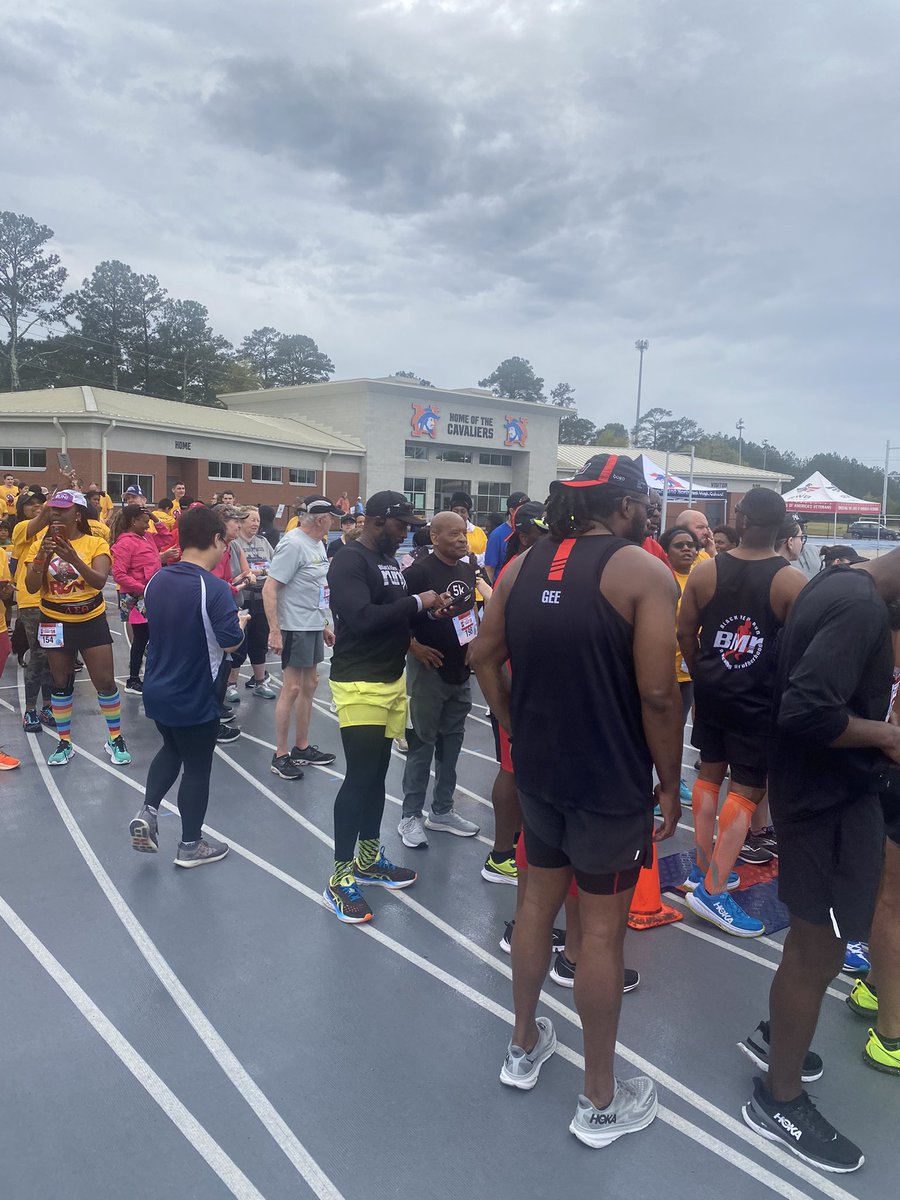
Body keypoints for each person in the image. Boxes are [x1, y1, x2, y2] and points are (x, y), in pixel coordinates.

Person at [473, 452, 682, 1146]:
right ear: (622, 503)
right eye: (643, 503)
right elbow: (659, 695)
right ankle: (599, 1100)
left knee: (535, 905)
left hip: (540, 773)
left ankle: (523, 1044)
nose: (648, 514)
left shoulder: (519, 566)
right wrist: (669, 781)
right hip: (608, 782)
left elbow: (481, 656)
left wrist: (511, 721)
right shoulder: (643, 571)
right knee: (599, 934)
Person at [738, 548, 900, 1172]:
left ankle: (777, 1036)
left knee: (812, 947)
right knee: (818, 952)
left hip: (818, 793)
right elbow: (806, 708)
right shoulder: (861, 608)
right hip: (828, 803)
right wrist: (888, 735)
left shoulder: (835, 579)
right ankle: (778, 1100)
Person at [677, 488, 806, 935]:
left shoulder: (706, 570)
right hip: (759, 701)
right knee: (747, 791)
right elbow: (803, 651)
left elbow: (684, 632)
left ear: (741, 519)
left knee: (710, 775)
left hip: (714, 693)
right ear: (784, 528)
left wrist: (703, 672)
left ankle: (702, 867)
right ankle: (712, 890)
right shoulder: (790, 581)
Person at [324, 490, 448, 923]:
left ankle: (368, 858)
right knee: (359, 777)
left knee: (377, 774)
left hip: (390, 680)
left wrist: (428, 613)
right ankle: (340, 877)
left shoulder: (389, 562)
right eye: (401, 527)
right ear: (377, 521)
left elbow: (396, 614)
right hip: (358, 682)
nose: (405, 535)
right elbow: (361, 617)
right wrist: (417, 601)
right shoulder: (349, 560)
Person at [129, 506, 250, 867]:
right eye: (225, 543)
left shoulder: (157, 580)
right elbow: (230, 643)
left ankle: (148, 811)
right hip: (195, 692)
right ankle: (191, 844)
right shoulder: (214, 588)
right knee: (197, 767)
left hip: (158, 687)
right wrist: (240, 622)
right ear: (215, 540)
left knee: (171, 747)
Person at [24, 489, 132, 766]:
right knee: (60, 683)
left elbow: (98, 581)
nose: (55, 514)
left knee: (105, 682)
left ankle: (115, 737)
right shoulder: (40, 544)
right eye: (53, 509)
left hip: (90, 619)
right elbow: (31, 587)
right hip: (54, 620)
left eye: (63, 510)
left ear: (77, 515)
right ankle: (64, 742)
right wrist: (42, 558)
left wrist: (72, 558)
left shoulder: (95, 543)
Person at [398, 511, 480, 847]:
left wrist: (473, 640)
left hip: (460, 671)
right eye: (454, 534)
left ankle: (442, 811)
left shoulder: (467, 568)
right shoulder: (418, 573)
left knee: (452, 743)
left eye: (464, 533)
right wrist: (414, 647)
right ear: (435, 538)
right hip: (428, 673)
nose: (462, 539)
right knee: (422, 743)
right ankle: (409, 816)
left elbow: (469, 609)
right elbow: (397, 616)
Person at [484, 502, 548, 884]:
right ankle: (500, 855)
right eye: (544, 534)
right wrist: (505, 701)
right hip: (513, 684)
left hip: (528, 683)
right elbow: (490, 647)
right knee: (511, 770)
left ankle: (518, 842)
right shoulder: (515, 571)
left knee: (522, 769)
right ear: (524, 536)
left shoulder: (533, 568)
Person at [262, 495, 340, 779]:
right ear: (321, 519)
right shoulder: (293, 544)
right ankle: (280, 754)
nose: (334, 523)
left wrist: (323, 624)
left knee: (310, 684)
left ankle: (302, 747)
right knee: (292, 688)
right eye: (331, 518)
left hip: (312, 624)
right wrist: (275, 630)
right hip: (294, 626)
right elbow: (270, 588)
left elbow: (316, 588)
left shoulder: (318, 543)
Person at [111, 504, 174, 694]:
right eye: (145, 522)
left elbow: (167, 538)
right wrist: (144, 589)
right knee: (141, 638)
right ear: (133, 521)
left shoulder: (147, 537)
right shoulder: (124, 544)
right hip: (136, 597)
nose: (148, 525)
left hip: (152, 595)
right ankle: (133, 679)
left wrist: (155, 518)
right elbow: (119, 574)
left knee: (153, 637)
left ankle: (151, 675)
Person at [659, 525, 701, 806]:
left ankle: (672, 782)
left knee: (677, 729)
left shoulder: (700, 578)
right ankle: (655, 787)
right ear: (665, 551)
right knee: (659, 730)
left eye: (691, 544)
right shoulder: (662, 578)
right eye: (679, 545)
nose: (687, 549)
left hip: (690, 668)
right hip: (663, 667)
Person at [11, 491, 55, 732]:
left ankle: (47, 706)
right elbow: (44, 516)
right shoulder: (21, 528)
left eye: (40, 503)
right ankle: (30, 709)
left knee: (52, 655)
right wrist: (60, 488)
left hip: (52, 598)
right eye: (30, 505)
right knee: (38, 654)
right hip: (31, 600)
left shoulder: (53, 529)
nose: (37, 507)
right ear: (21, 510)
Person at [225, 506, 277, 701]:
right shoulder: (234, 544)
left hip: (262, 597)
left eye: (258, 520)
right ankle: (231, 685)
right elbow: (241, 572)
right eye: (251, 520)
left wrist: (261, 572)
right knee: (239, 642)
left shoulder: (263, 542)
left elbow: (275, 565)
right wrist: (261, 571)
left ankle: (260, 682)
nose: (256, 524)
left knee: (259, 641)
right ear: (241, 522)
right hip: (241, 598)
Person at [483, 491, 529, 584]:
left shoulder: (531, 531)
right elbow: (489, 568)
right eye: (523, 508)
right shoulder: (497, 535)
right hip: (503, 586)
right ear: (512, 511)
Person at [449, 491, 488, 566]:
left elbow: (487, 555)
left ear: (468, 514)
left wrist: (473, 558)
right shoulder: (444, 530)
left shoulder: (478, 532)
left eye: (463, 511)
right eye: (455, 511)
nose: (459, 514)